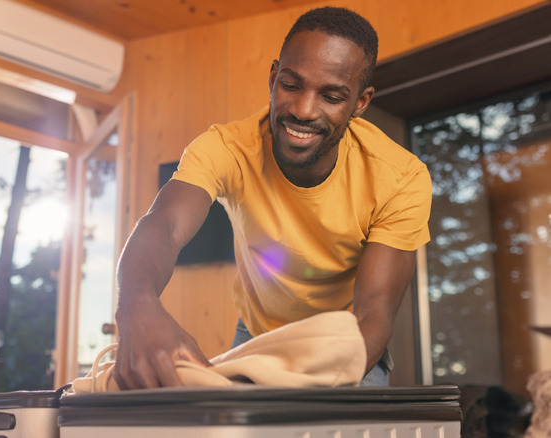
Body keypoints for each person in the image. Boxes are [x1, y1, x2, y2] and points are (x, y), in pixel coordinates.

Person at [112, 6, 432, 389]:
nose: (303, 109)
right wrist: (137, 305)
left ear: (360, 103)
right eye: (292, 85)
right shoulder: (226, 148)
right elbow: (162, 225)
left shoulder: (401, 177)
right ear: (273, 76)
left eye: (331, 96)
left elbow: (373, 316)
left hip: (347, 341)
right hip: (257, 335)